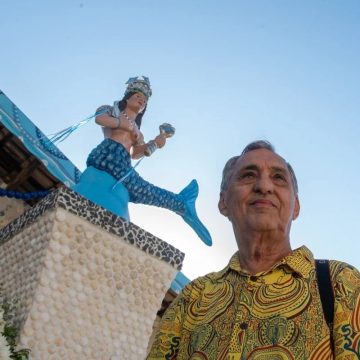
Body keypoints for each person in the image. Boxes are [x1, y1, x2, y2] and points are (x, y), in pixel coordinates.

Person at [147, 140, 360, 359]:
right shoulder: (192, 299)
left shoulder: (342, 284)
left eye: (278, 177)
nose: (264, 186)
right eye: (248, 175)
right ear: (223, 202)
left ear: (295, 206)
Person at [74, 76, 212, 246]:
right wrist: (120, 123)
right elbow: (99, 118)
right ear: (128, 96)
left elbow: (137, 154)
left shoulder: (138, 131)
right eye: (138, 96)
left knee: (141, 188)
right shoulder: (113, 110)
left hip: (123, 162)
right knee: (141, 188)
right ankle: (181, 203)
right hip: (108, 154)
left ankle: (180, 204)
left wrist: (155, 143)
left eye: (144, 101)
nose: (141, 101)